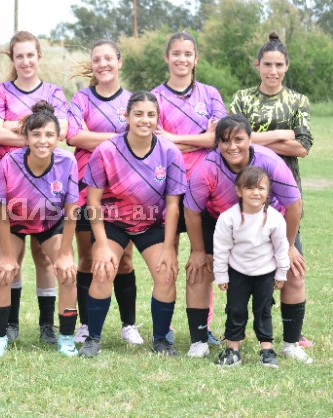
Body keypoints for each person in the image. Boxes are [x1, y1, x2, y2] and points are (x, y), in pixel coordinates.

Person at [184, 114, 312, 364]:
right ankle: (198, 341)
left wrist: (287, 246)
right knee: (199, 271)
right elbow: (191, 211)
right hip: (222, 221)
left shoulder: (269, 161)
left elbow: (294, 205)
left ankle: (291, 343)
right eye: (225, 141)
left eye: (239, 139)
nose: (232, 146)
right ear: (216, 143)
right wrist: (199, 251)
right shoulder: (207, 168)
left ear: (250, 139)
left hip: (270, 222)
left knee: (295, 272)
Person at [79, 91, 187, 358]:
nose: (145, 120)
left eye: (151, 115)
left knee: (165, 273)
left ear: (157, 118)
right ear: (126, 117)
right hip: (113, 221)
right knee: (103, 269)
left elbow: (173, 205)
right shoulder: (107, 150)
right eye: (138, 114)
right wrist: (102, 245)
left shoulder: (169, 152)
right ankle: (93, 338)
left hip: (151, 223)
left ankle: (161, 339)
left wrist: (170, 247)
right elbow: (93, 201)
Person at [230, 31, 315, 350]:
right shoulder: (242, 99)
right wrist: (282, 133)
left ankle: (294, 336)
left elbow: (303, 147)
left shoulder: (298, 101)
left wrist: (255, 138)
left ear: (287, 66)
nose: (273, 71)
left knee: (293, 264)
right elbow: (235, 139)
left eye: (279, 65)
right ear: (258, 65)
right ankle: (234, 332)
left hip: (284, 194)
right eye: (267, 64)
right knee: (241, 269)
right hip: (245, 192)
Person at [0, 31, 69, 344]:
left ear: (39, 56)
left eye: (30, 55)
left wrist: (16, 126)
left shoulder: (54, 91)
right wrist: (37, 132)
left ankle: (47, 325)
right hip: (10, 187)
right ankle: (10, 324)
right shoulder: (1, 92)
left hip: (48, 187)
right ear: (13, 59)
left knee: (46, 258)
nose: (25, 61)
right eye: (19, 56)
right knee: (10, 259)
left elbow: (62, 131)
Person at [151, 31, 228, 355]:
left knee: (203, 259)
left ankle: (202, 327)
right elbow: (154, 139)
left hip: (205, 189)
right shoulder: (154, 96)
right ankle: (164, 329)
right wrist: (198, 137)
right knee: (166, 257)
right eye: (176, 53)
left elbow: (219, 138)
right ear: (167, 58)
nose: (182, 59)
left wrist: (173, 137)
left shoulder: (209, 94)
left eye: (188, 54)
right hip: (164, 188)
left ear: (196, 60)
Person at [0, 101, 79, 357]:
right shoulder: (9, 162)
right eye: (36, 134)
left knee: (67, 272)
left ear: (58, 137)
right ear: (26, 137)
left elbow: (71, 212)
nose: (43, 140)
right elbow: (2, 212)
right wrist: (7, 257)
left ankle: (65, 336)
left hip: (50, 222)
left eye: (49, 134)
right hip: (13, 223)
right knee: (4, 272)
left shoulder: (67, 162)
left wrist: (64, 254)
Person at [67, 39, 139, 345]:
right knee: (87, 258)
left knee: (123, 259)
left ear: (119, 62)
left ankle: (129, 325)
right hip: (87, 189)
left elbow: (145, 137)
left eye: (108, 58)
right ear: (92, 66)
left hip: (126, 193)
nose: (103, 64)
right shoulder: (81, 100)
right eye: (97, 60)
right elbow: (74, 136)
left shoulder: (134, 101)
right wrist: (121, 137)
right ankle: (86, 325)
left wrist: (95, 138)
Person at [213, 166, 289, 368]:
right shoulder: (228, 218)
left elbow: (282, 248)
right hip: (237, 272)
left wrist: (281, 273)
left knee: (263, 309)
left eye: (261, 188)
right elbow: (221, 248)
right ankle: (232, 350)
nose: (256, 193)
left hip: (265, 272)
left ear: (268, 191)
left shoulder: (275, 218)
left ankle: (266, 350)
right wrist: (221, 275)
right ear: (239, 191)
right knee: (235, 309)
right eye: (250, 188)